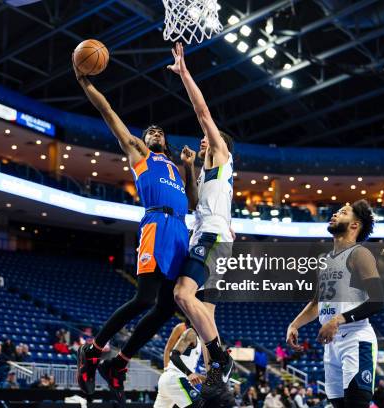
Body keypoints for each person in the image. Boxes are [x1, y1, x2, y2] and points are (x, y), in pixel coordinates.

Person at [73, 51, 189, 401]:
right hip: (156, 223)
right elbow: (109, 113)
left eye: (159, 131)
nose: (154, 131)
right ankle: (93, 350)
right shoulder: (140, 153)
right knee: (144, 298)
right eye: (149, 130)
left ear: (165, 140)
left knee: (169, 307)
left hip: (180, 229)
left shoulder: (177, 170)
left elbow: (195, 203)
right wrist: (85, 82)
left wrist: (193, 169)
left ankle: (118, 362)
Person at [167, 42, 236, 399]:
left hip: (211, 238)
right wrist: (188, 167)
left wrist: (184, 73)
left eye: (208, 138)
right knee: (203, 313)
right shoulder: (209, 172)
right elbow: (194, 203)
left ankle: (221, 362)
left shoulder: (222, 155)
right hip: (210, 236)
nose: (203, 139)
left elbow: (202, 111)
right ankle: (216, 382)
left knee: (182, 294)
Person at [287, 200, 384, 408]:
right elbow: (316, 303)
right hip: (331, 344)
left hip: (356, 339)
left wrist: (338, 319)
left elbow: (378, 301)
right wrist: (294, 324)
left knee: (356, 403)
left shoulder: (360, 254)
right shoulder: (324, 259)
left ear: (355, 225)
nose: (335, 214)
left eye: (343, 212)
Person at [154, 321, 206, 408]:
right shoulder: (191, 332)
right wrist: (188, 373)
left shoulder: (197, 340)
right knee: (201, 405)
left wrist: (207, 379)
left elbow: (188, 370)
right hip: (175, 378)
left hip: (168, 379)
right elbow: (173, 354)